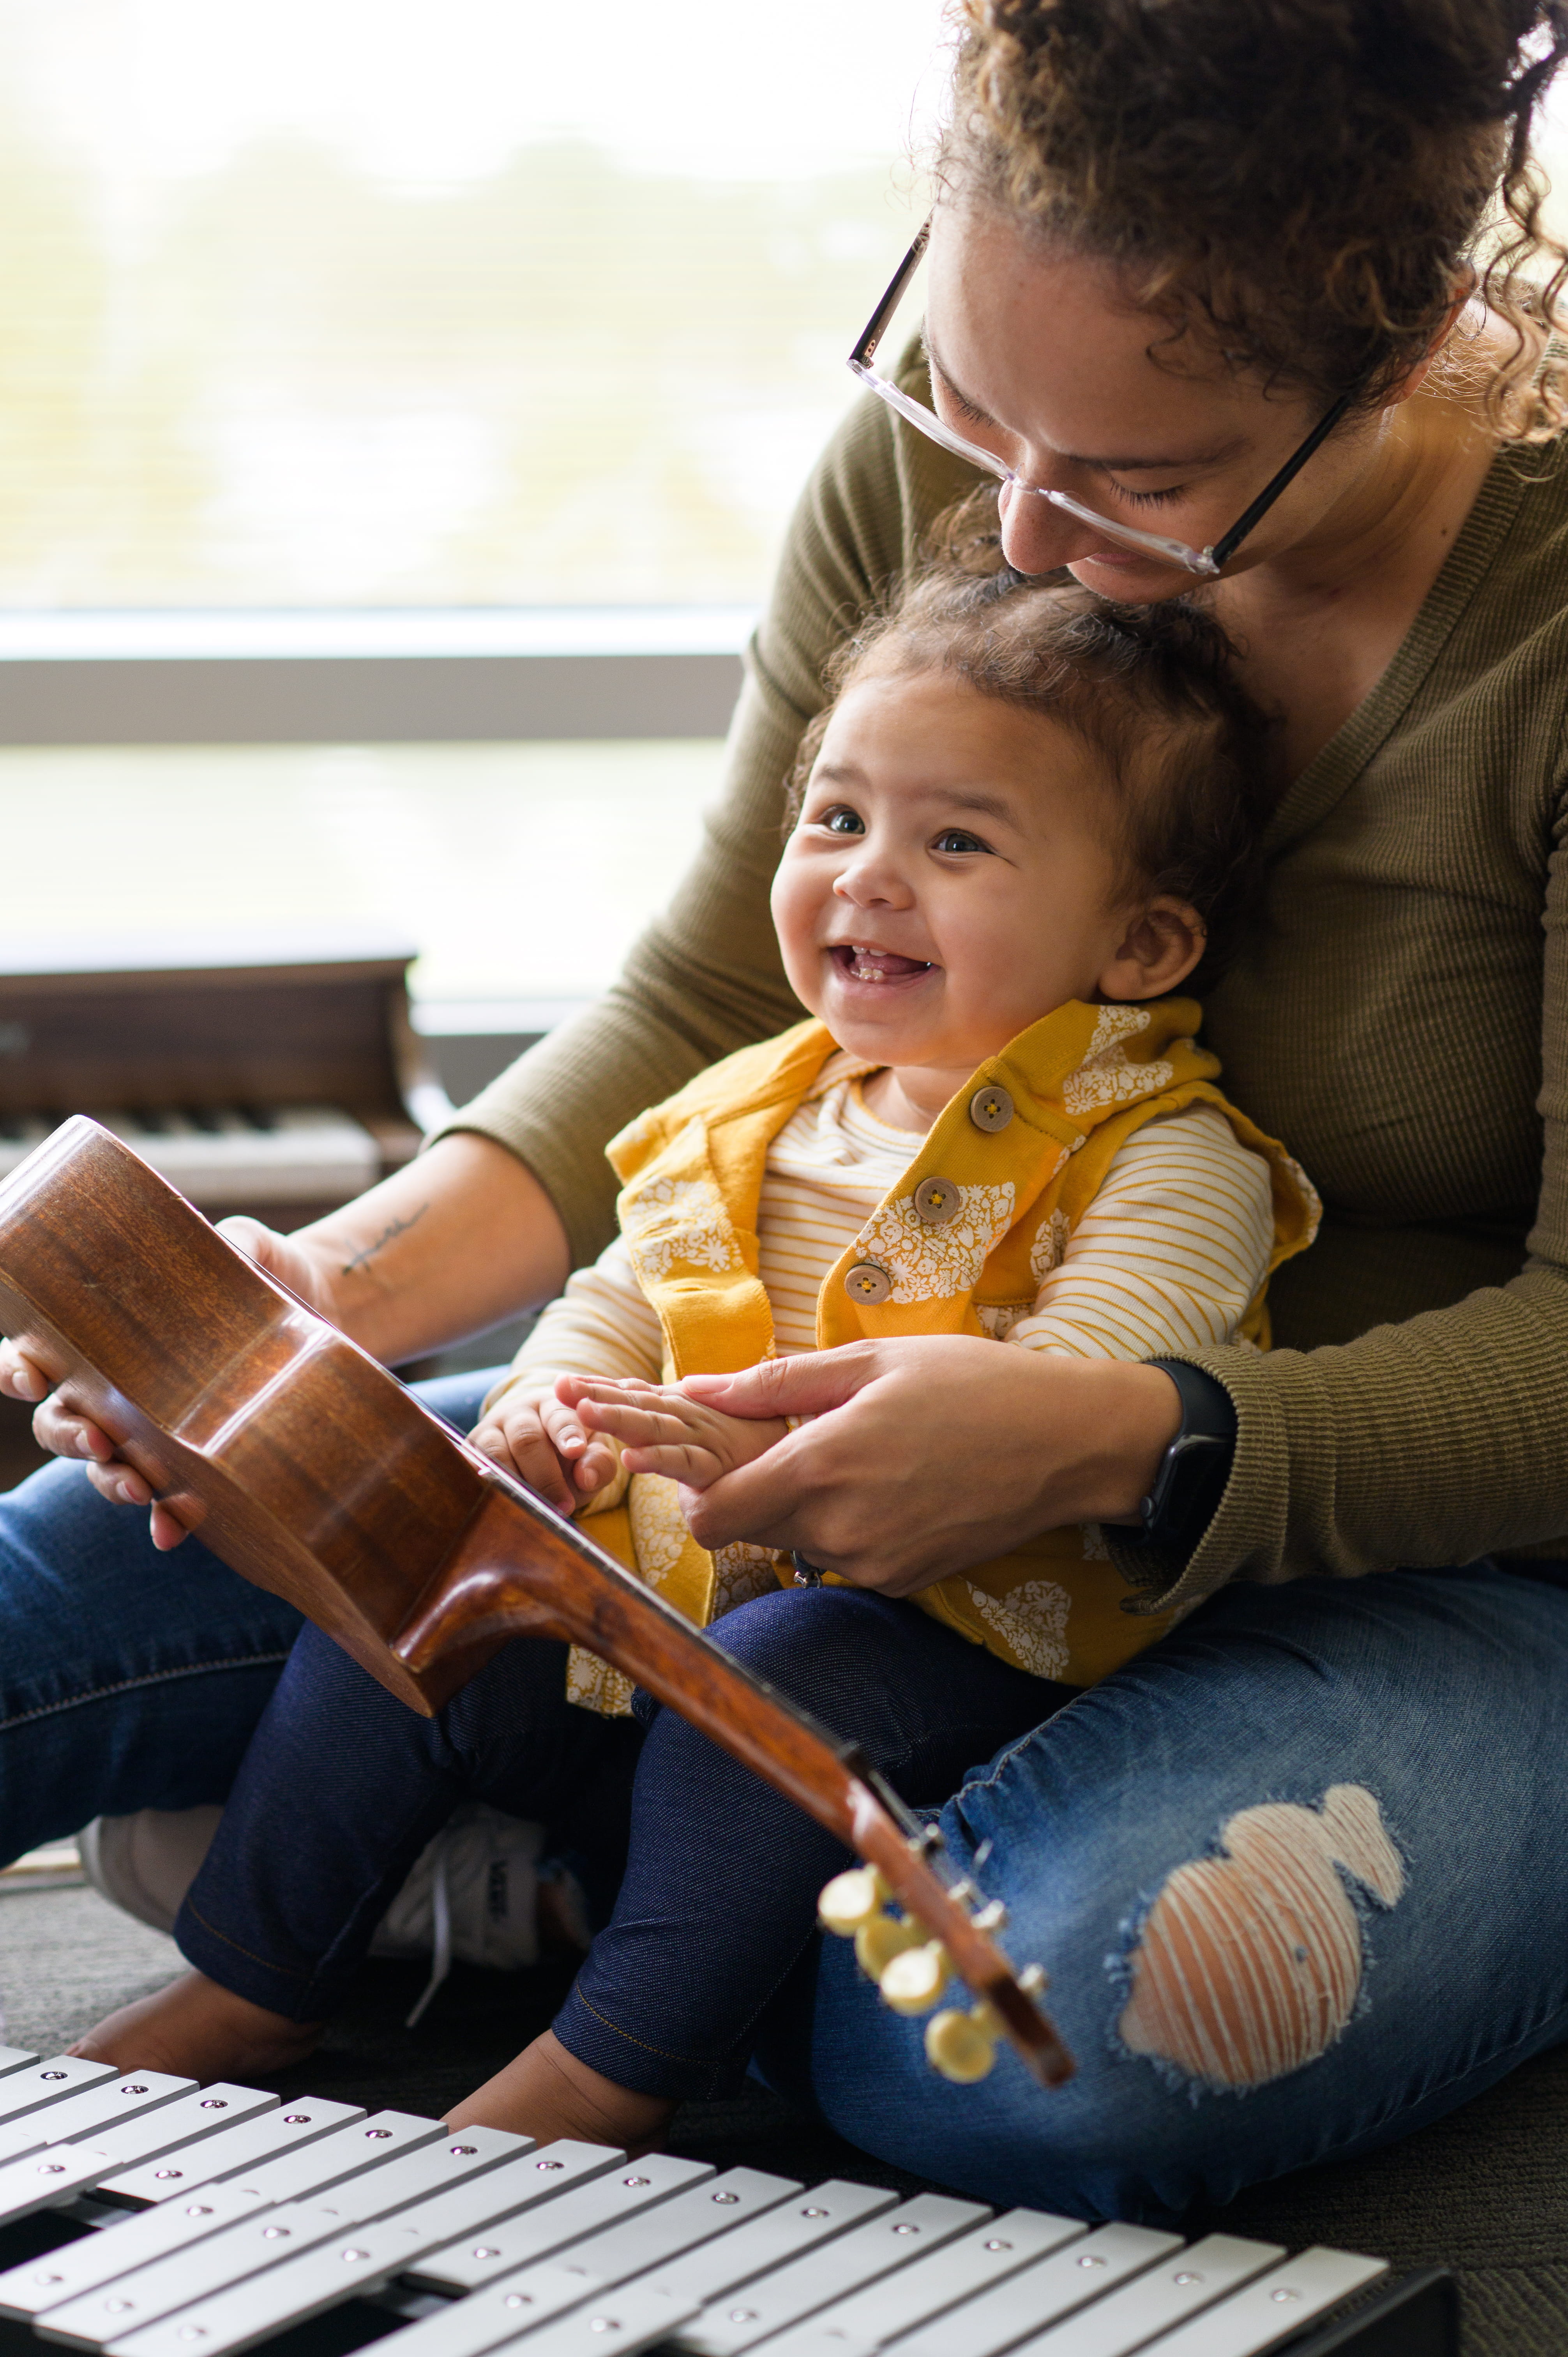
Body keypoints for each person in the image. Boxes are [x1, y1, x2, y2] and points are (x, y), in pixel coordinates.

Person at [5, 0, 1568, 2220]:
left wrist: (1109, 1438)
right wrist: (309, 1319)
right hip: (757, 1478)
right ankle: (556, 1878)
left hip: (1443, 1567)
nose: (1011, 520)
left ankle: (561, 1898)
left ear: (1414, 345)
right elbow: (715, 998)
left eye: (1135, 480)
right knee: (100, 1561)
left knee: (1031, 2043)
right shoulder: (948, 475)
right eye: (957, 389)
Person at [61, 553, 1318, 2151]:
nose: (866, 877)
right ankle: (254, 1970)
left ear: (1137, 947)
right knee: (423, 1581)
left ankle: (614, 2058)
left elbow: (1092, 1389)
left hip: (947, 1625)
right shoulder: (751, 1103)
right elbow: (616, 1292)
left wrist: (799, 1469)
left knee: (780, 1681)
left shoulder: (1166, 1154)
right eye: (838, 820)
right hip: (659, 1596)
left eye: (956, 843)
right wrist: (534, 1415)